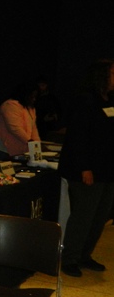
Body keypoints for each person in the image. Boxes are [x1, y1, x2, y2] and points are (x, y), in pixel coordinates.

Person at [58, 59, 114, 277]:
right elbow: (78, 137)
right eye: (112, 73)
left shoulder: (109, 100)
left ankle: (84, 255)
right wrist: (85, 168)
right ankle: (70, 258)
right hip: (86, 169)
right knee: (83, 216)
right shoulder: (85, 100)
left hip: (107, 170)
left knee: (99, 217)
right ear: (101, 76)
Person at [0, 80, 41, 159]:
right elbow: (14, 128)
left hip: (16, 149)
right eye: (32, 96)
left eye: (35, 97)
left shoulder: (30, 108)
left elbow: (33, 129)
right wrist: (32, 143)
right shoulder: (10, 105)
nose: (34, 99)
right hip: (2, 148)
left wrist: (37, 145)